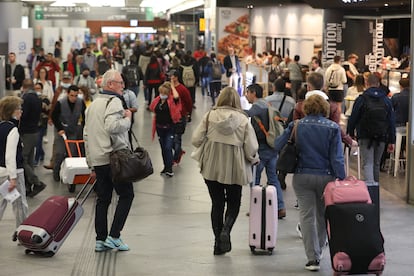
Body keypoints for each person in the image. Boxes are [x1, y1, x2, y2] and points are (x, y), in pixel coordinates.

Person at [275, 94, 345, 272]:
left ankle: (311, 258)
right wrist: (342, 178)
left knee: (306, 216)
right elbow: (337, 158)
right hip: (326, 178)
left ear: (306, 108)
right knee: (323, 216)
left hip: (302, 176)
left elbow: (277, 145)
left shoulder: (296, 125)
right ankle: (319, 250)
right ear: (325, 108)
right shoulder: (333, 128)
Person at [191, 87, 259, 255]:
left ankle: (217, 244)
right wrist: (253, 158)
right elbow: (251, 147)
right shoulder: (243, 120)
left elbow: (195, 139)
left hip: (212, 165)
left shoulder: (209, 116)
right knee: (234, 202)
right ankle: (226, 231)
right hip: (234, 167)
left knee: (217, 203)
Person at [84, 69, 134, 252]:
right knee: (127, 194)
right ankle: (114, 236)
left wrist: (91, 163)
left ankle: (100, 239)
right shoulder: (114, 102)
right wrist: (128, 119)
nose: (123, 86)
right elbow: (112, 126)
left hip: (98, 159)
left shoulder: (93, 104)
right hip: (113, 159)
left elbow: (86, 134)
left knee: (103, 199)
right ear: (110, 84)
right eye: (120, 83)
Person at [347, 73, 396, 219]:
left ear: (367, 83)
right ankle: (375, 195)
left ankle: (368, 194)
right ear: (379, 83)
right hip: (382, 137)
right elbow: (391, 121)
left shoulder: (362, 99)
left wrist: (350, 132)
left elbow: (353, 117)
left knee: (367, 164)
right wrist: (392, 140)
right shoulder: (386, 100)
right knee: (375, 164)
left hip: (365, 136)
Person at [244, 83, 286, 219]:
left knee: (254, 179)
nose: (246, 95)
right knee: (273, 178)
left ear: (253, 93)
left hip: (261, 148)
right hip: (272, 147)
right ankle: (280, 207)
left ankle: (256, 208)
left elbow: (246, 115)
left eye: (247, 92)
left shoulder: (257, 107)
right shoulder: (267, 105)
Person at [0, 96, 28, 229]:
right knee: (20, 205)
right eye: (19, 109)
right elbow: (10, 156)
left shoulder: (1, 127)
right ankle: (22, 231)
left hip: (0, 172)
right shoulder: (13, 130)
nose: (21, 112)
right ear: (12, 111)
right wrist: (13, 178)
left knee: (1, 204)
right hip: (13, 172)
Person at [265, 78, 296, 190]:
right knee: (284, 152)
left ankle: (272, 175)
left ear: (274, 87)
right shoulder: (291, 101)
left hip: (272, 130)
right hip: (285, 129)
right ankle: (282, 173)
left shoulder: (267, 100)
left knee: (273, 153)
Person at [51, 85, 86, 181]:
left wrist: (84, 126)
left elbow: (85, 115)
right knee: (60, 152)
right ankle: (56, 173)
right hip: (61, 130)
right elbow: (54, 116)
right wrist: (59, 128)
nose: (74, 98)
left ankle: (72, 176)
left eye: (75, 95)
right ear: (68, 94)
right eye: (72, 95)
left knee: (72, 153)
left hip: (73, 129)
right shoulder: (60, 103)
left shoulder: (80, 102)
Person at [19, 79, 46, 197]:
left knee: (22, 159)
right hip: (35, 131)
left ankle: (37, 182)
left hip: (27, 133)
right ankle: (28, 187)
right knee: (29, 160)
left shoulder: (26, 99)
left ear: (23, 87)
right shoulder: (37, 99)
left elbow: (23, 116)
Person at [149, 82, 181, 177]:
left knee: (168, 147)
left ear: (168, 94)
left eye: (164, 93)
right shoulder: (157, 100)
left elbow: (176, 96)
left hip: (169, 128)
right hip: (159, 128)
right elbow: (151, 107)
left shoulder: (172, 101)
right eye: (161, 93)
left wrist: (171, 85)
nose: (161, 95)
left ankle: (170, 168)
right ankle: (165, 167)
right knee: (163, 148)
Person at [168, 70, 192, 165]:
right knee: (171, 138)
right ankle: (179, 151)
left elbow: (188, 102)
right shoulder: (168, 88)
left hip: (181, 116)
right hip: (170, 116)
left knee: (177, 138)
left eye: (172, 76)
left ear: (176, 77)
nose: (170, 78)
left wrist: (188, 114)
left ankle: (176, 157)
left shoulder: (182, 89)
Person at [33, 82, 51, 166]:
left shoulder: (45, 99)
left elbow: (47, 109)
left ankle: (36, 159)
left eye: (38, 88)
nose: (37, 90)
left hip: (42, 123)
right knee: (37, 141)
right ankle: (42, 153)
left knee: (38, 141)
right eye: (35, 88)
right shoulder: (32, 97)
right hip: (34, 123)